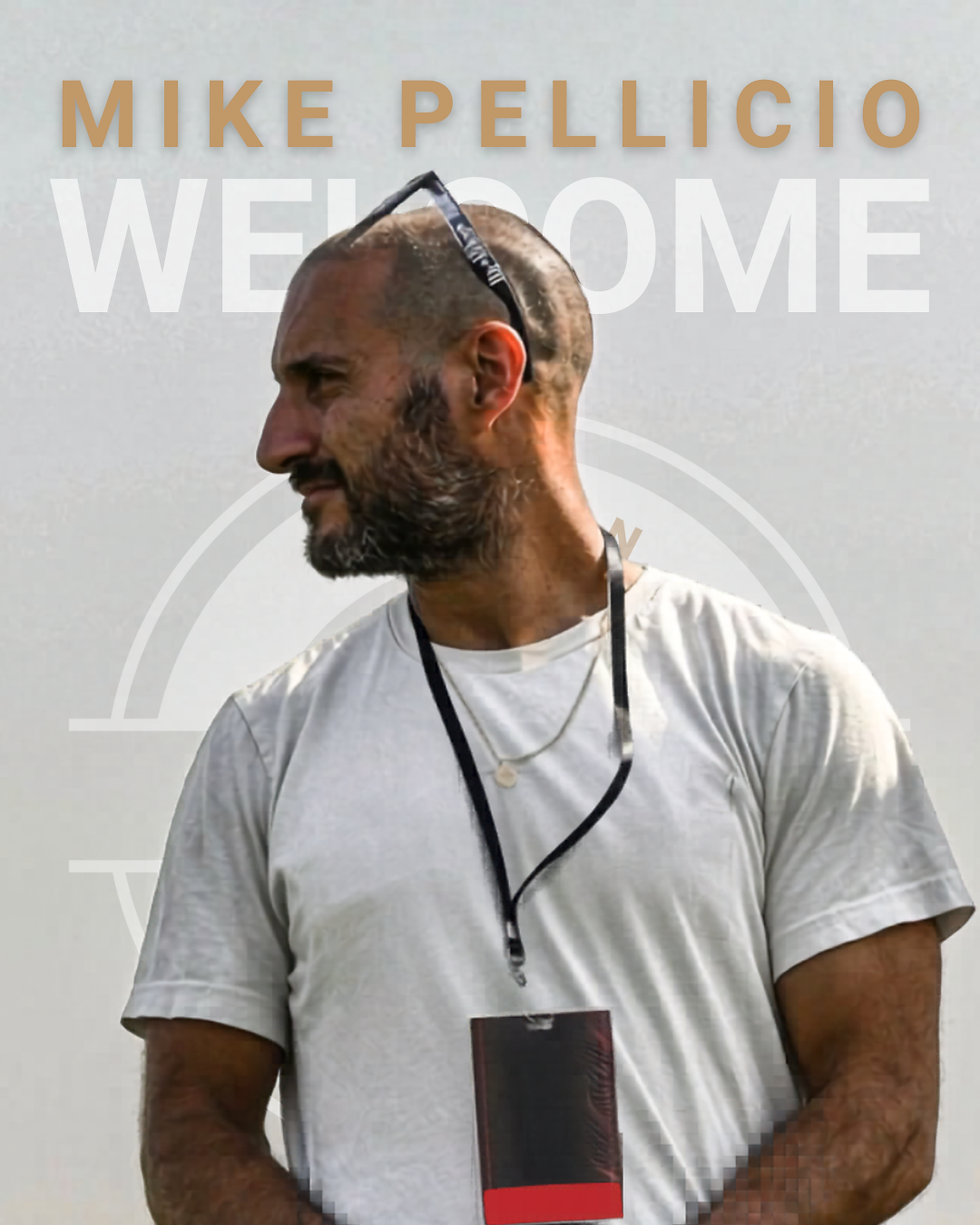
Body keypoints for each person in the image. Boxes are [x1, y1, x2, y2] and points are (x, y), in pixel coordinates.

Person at [122, 175, 974, 1225]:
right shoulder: (264, 743)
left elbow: (883, 1108)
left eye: (321, 382)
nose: (278, 441)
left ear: (486, 373)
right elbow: (189, 1128)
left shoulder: (788, 697)